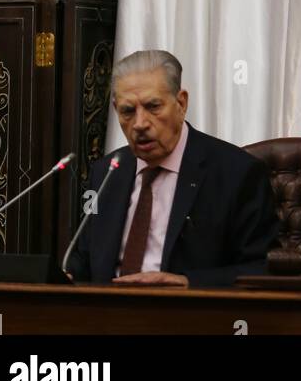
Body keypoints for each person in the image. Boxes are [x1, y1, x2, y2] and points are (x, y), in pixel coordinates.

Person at [66, 49, 280, 287]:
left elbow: (264, 270)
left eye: (153, 106)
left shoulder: (237, 173)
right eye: (128, 111)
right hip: (107, 317)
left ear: (181, 103)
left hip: (187, 316)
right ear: (116, 110)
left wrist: (188, 282)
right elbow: (82, 260)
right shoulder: (106, 172)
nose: (140, 124)